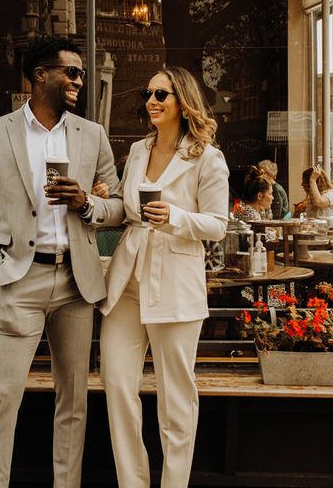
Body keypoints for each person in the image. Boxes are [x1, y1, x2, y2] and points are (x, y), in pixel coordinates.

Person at [0, 35, 122, 488]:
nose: (79, 80)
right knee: (2, 400)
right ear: (41, 75)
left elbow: (118, 206)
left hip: (77, 283)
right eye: (71, 72)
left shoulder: (91, 135)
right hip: (20, 278)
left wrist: (87, 204)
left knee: (73, 401)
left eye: (81, 73)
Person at [99, 66, 229, 488]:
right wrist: (103, 200)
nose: (151, 102)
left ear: (182, 100)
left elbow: (217, 224)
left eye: (161, 95)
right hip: (127, 282)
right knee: (117, 385)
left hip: (175, 283)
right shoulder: (137, 150)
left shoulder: (207, 156)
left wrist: (174, 216)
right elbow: (124, 206)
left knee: (176, 399)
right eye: (148, 94)